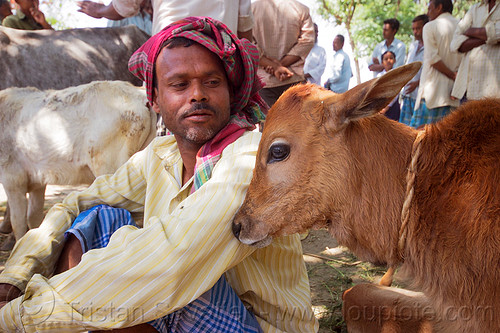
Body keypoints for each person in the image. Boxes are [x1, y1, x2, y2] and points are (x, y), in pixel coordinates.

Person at [0, 17, 318, 332]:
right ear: (153, 100)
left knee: (148, 277)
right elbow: (76, 203)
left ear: (230, 93)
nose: (197, 95)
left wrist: (21, 316)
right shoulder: (160, 154)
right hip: (186, 300)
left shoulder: (252, 159)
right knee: (96, 219)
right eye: (179, 85)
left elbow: (174, 260)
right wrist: (14, 278)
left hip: (256, 325)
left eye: (212, 82)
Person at [77, 0, 253, 40]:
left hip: (171, 42)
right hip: (221, 45)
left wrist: (100, 10)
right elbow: (244, 20)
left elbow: (126, 5)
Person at [252, 0, 315, 107]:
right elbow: (307, 42)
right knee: (297, 122)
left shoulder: (251, 10)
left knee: (268, 123)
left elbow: (248, 44)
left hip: (264, 84)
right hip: (293, 80)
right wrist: (280, 66)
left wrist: (275, 67)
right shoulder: (301, 9)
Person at [413, 0, 462, 128]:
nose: (428, 13)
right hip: (453, 95)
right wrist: (457, 79)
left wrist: (452, 75)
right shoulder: (461, 26)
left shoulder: (430, 26)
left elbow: (433, 60)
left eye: (429, 8)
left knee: (419, 140)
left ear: (439, 7)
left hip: (431, 96)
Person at [450, 0, 500, 102]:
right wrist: (489, 37)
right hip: (469, 90)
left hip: (495, 91)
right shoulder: (475, 9)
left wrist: (470, 32)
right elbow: (455, 44)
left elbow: (497, 33)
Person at [399, 14, 428, 126]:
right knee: (404, 128)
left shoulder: (431, 46)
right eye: (413, 29)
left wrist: (417, 83)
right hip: (407, 95)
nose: (415, 32)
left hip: (421, 97)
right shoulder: (413, 46)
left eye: (418, 28)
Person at [377, 51, 400, 121]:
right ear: (382, 62)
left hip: (392, 107)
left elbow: (396, 93)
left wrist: (386, 107)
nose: (388, 61)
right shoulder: (379, 76)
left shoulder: (397, 75)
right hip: (380, 107)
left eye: (391, 58)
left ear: (395, 60)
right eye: (386, 59)